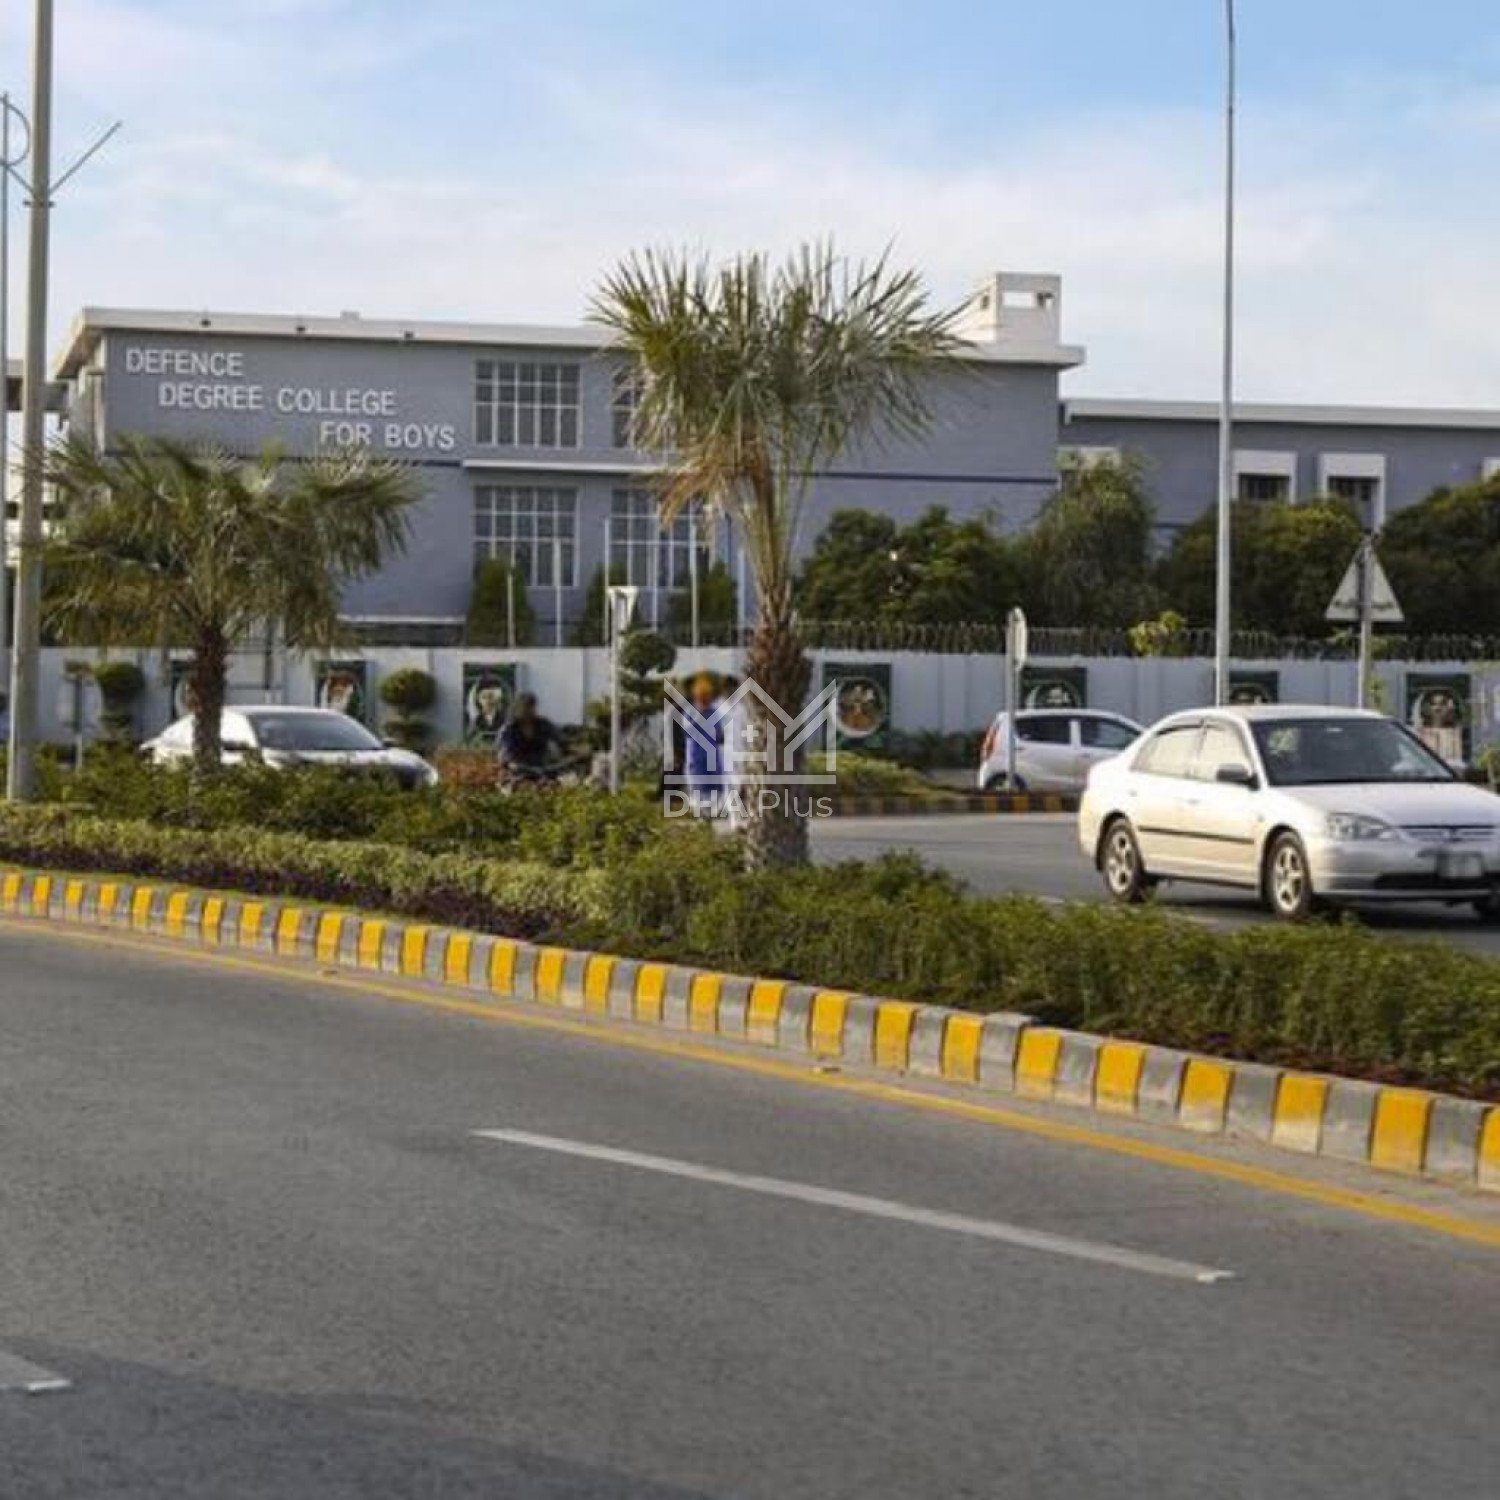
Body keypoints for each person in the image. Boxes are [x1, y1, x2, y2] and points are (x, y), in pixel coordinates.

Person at [683, 672, 725, 815]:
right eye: (702, 696)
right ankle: (700, 812)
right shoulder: (690, 712)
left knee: (714, 785)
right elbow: (688, 731)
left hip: (712, 755)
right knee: (698, 783)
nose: (705, 699)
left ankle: (712, 811)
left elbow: (719, 733)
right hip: (696, 755)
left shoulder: (714, 712)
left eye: (707, 696)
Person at [497, 691, 562, 779]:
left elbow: (560, 739)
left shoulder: (543, 724)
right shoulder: (509, 729)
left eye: (532, 707)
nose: (529, 710)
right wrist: (509, 763)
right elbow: (504, 753)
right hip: (518, 769)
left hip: (542, 767)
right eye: (526, 707)